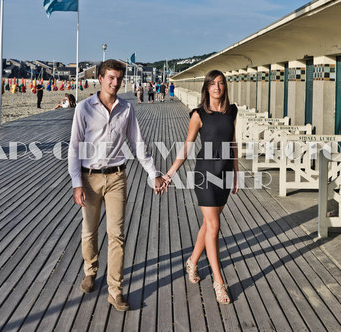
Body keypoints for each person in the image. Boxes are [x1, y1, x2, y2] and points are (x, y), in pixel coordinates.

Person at [68, 59, 166, 312]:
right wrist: (76, 182)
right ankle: (90, 270)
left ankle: (115, 290)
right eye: (110, 77)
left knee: (117, 235)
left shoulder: (126, 109)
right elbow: (74, 147)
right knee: (90, 229)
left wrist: (153, 173)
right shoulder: (84, 108)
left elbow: (138, 143)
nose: (115, 83)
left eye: (118, 78)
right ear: (100, 78)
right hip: (89, 178)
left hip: (117, 178)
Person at [163, 70, 238, 304]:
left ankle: (192, 262)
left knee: (208, 224)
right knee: (214, 226)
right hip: (205, 174)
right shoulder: (198, 114)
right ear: (206, 88)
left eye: (221, 84)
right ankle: (219, 282)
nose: (217, 87)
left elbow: (233, 142)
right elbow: (187, 146)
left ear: (225, 87)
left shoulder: (231, 111)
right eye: (213, 84)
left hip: (225, 174)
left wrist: (236, 173)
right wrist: (170, 172)